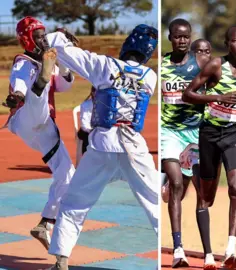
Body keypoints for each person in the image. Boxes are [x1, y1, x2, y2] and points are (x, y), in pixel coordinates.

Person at [44, 24, 159, 270]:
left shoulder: (105, 66)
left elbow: (61, 49)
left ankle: (61, 260)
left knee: (75, 202)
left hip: (103, 144)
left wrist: (61, 36)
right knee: (154, 201)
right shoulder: (151, 76)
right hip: (134, 147)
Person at [182, 25, 236, 269]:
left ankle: (230, 248)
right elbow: (188, 94)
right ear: (227, 43)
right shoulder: (216, 66)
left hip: (232, 134)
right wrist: (216, 98)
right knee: (207, 197)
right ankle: (207, 254)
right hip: (209, 134)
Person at [2, 16, 76, 251]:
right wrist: (18, 96)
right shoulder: (23, 61)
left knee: (67, 175)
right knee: (37, 97)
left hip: (44, 127)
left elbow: (65, 86)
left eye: (44, 34)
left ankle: (45, 222)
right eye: (37, 35)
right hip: (25, 118)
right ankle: (39, 87)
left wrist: (63, 59)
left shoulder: (52, 61)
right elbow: (19, 81)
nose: (42, 38)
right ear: (26, 38)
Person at [160, 18, 211, 268]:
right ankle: (178, 249)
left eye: (186, 36)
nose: (182, 40)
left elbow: (223, 84)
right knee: (178, 184)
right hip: (169, 131)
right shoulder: (161, 64)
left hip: (195, 135)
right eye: (178, 36)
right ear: (170, 37)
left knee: (187, 188)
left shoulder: (200, 63)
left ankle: (169, 184)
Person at [77, 86, 95, 155]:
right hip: (87, 131)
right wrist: (92, 131)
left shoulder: (106, 105)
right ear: (92, 93)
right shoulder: (86, 105)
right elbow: (84, 124)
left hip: (99, 131)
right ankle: (86, 157)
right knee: (87, 137)